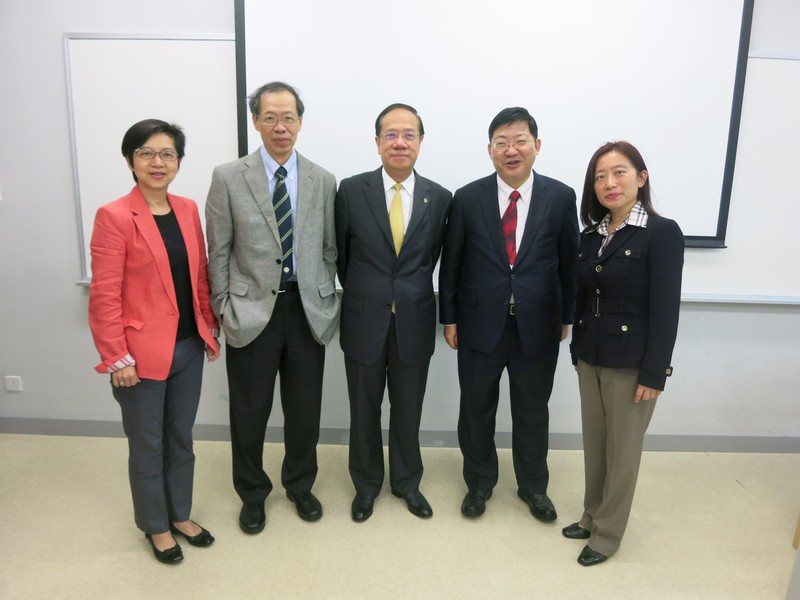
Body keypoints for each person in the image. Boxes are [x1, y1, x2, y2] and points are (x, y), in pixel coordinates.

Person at [205, 81, 339, 534]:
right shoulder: (228, 176)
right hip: (251, 312)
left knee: (305, 411)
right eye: (270, 118)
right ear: (256, 121)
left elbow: (328, 248)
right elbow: (217, 251)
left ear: (301, 122)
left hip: (306, 311)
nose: (280, 127)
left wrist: (324, 295)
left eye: (289, 118)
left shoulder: (322, 179)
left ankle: (300, 485)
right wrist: (223, 306)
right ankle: (253, 493)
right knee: (249, 411)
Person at [88, 119, 220, 565]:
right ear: (130, 160)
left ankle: (180, 513)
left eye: (167, 154)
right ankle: (155, 525)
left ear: (179, 162)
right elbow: (104, 295)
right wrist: (115, 357)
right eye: (146, 153)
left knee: (181, 438)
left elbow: (197, 275)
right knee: (148, 444)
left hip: (187, 347)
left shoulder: (186, 209)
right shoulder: (114, 215)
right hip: (138, 356)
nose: (157, 162)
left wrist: (208, 326)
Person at [439, 107, 578, 521]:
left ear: (537, 145)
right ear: (490, 150)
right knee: (476, 408)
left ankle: (534, 487)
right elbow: (452, 263)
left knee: (532, 409)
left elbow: (569, 262)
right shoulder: (467, 197)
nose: (511, 149)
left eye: (520, 140)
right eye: (501, 142)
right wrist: (450, 318)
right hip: (479, 324)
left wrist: (566, 317)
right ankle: (479, 483)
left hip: (538, 325)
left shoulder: (561, 196)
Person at [564, 141, 684, 566]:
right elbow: (582, 298)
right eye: (600, 176)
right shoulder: (591, 235)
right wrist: (577, 350)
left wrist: (656, 373)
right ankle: (592, 514)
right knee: (596, 445)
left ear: (641, 177)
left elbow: (666, 308)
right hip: (590, 356)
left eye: (619, 172)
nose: (609, 183)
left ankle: (608, 535)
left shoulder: (661, 232)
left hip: (632, 364)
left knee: (623, 451)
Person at [335, 104, 452, 522]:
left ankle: (407, 482)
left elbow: (434, 259)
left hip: (414, 321)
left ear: (420, 141)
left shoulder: (440, 198)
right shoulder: (351, 190)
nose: (399, 142)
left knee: (408, 408)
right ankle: (366, 485)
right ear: (378, 141)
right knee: (363, 408)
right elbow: (342, 256)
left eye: (409, 134)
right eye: (390, 134)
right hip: (364, 316)